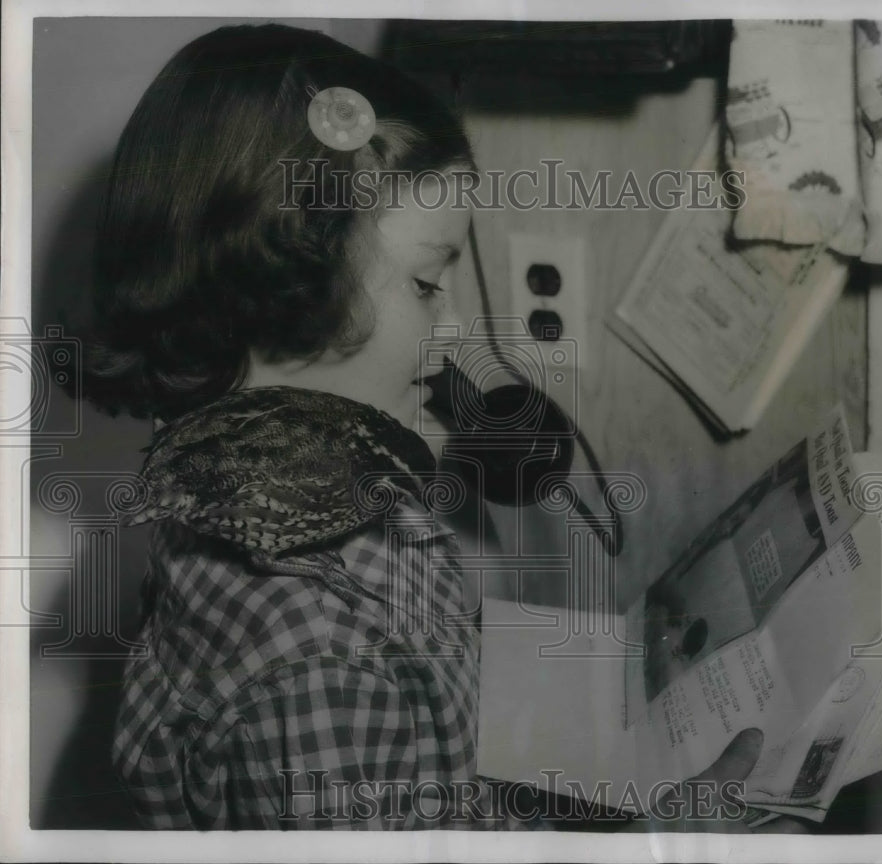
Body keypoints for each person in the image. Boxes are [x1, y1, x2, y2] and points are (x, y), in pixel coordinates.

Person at [75, 22, 781, 832]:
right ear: (280, 286)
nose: (453, 335)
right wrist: (669, 842)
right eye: (424, 283)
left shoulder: (290, 492)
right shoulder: (318, 658)